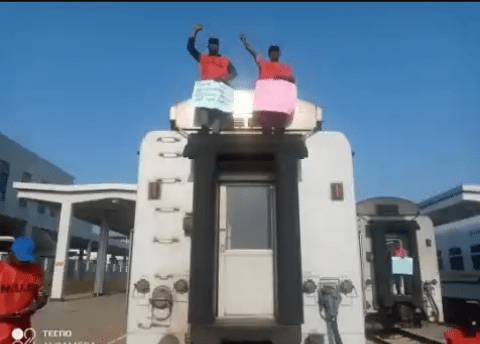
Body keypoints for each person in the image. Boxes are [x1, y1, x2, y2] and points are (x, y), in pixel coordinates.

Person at [240, 34, 296, 134]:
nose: (274, 54)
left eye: (276, 52)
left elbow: (291, 85)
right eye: (272, 52)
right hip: (266, 108)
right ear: (269, 54)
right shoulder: (263, 64)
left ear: (279, 54)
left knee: (279, 132)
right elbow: (254, 53)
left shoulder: (286, 68)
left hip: (280, 107)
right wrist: (246, 43)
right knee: (266, 131)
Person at [187, 24, 237, 134]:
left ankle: (216, 133)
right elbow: (191, 48)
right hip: (207, 91)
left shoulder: (225, 60)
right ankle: (204, 129)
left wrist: (225, 78)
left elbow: (234, 73)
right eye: (211, 45)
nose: (213, 46)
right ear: (208, 46)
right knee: (204, 114)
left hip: (219, 91)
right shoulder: (203, 58)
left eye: (215, 45)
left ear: (217, 46)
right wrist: (194, 31)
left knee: (217, 119)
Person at [0, 236, 48, 344]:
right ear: (11, 253)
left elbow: (41, 297)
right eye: (20, 258)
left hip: (22, 329)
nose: (24, 262)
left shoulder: (36, 271)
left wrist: (37, 305)